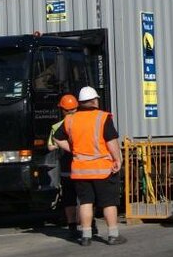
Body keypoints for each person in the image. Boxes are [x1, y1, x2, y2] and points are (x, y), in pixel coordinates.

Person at [53, 86, 126, 246]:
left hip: (80, 169)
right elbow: (111, 141)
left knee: (85, 202)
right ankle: (113, 235)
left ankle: (85, 236)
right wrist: (117, 159)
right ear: (94, 101)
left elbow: (57, 138)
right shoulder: (103, 117)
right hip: (102, 169)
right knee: (108, 202)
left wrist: (73, 149)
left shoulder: (70, 119)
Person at [48, 94, 82, 240]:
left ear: (62, 109)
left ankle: (72, 228)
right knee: (87, 198)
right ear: (77, 107)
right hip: (84, 167)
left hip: (67, 167)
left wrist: (61, 145)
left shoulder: (57, 127)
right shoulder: (83, 122)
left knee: (69, 199)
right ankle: (90, 226)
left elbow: (50, 146)